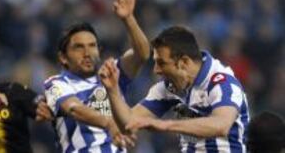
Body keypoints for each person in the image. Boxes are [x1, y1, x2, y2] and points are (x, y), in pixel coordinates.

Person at [99, 26, 250, 152]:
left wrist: (165, 125)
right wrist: (113, 90)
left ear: (184, 62)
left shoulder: (222, 83)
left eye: (162, 63)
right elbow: (129, 123)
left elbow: (221, 125)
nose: (156, 70)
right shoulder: (169, 87)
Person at [43, 0, 150, 152]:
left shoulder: (112, 74)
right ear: (63, 57)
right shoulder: (55, 84)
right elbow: (74, 109)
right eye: (78, 47)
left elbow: (142, 54)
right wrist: (109, 123)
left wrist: (129, 19)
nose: (87, 53)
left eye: (92, 46)